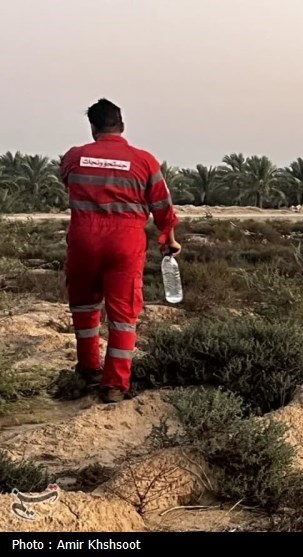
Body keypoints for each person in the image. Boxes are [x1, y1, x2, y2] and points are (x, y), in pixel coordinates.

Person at [59, 98, 181, 403]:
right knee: (123, 314)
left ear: (93, 128)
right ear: (122, 125)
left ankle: (88, 370)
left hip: (84, 239)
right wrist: (168, 238)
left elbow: (69, 185)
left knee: (85, 307)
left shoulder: (75, 157)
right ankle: (114, 385)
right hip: (125, 242)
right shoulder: (144, 161)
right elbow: (162, 207)